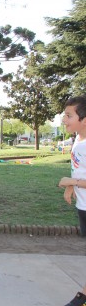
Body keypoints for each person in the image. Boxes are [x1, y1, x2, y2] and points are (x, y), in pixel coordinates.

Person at [58, 95, 86, 237]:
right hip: (82, 204)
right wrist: (71, 186)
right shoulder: (79, 138)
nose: (64, 120)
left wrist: (72, 182)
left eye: (68, 116)